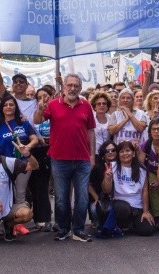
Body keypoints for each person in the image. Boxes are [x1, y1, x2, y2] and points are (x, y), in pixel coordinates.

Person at [35, 73, 96, 243]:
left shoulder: (86, 105)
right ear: (63, 87)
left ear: (80, 88)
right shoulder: (54, 104)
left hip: (83, 159)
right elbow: (38, 120)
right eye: (69, 85)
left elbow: (91, 131)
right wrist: (40, 109)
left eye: (76, 85)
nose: (73, 88)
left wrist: (92, 156)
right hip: (59, 159)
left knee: (82, 198)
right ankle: (63, 229)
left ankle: (78, 230)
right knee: (61, 199)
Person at [0, 93, 38, 235]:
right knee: (5, 193)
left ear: (15, 107)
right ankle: (1, 222)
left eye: (11, 104)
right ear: (2, 108)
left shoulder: (23, 123)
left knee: (20, 193)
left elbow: (34, 138)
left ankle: (16, 224)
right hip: (4, 165)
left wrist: (27, 147)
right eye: (6, 105)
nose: (9, 107)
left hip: (23, 163)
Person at [101, 141, 155, 236]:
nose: (125, 153)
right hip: (120, 204)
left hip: (137, 207)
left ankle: (131, 224)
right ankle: (123, 224)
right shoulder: (112, 166)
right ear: (118, 154)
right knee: (122, 209)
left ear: (133, 153)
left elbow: (144, 191)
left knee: (147, 230)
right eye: (121, 151)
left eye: (128, 150)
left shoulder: (142, 169)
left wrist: (146, 211)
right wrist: (107, 179)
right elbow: (106, 190)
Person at [0, 53, 37, 123]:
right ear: (12, 86)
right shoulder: (9, 100)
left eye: (21, 82)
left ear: (26, 85)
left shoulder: (34, 102)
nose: (18, 83)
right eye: (15, 82)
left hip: (32, 133)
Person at [89, 141, 117, 230]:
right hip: (102, 198)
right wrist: (97, 199)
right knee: (94, 209)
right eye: (107, 150)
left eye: (113, 150)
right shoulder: (97, 167)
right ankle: (97, 222)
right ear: (103, 153)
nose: (110, 152)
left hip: (118, 198)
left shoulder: (122, 165)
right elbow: (88, 185)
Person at [91, 91, 112, 157]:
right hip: (95, 153)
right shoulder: (91, 118)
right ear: (94, 107)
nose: (101, 105)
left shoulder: (111, 118)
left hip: (109, 153)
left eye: (104, 103)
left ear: (107, 106)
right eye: (98, 104)